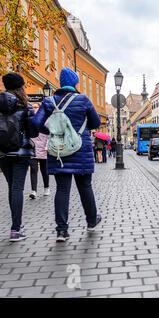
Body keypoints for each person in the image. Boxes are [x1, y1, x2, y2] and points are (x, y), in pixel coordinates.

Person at [32, 67, 102, 242]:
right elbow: (95, 123)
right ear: (74, 83)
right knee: (85, 187)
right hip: (81, 149)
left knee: (62, 189)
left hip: (58, 151)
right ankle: (92, 221)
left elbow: (35, 123)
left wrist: (50, 131)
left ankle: (62, 231)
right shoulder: (83, 100)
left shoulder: (49, 101)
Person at [0, 73, 39, 242]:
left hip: (2, 152)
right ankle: (16, 228)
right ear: (20, 86)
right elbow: (32, 131)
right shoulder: (25, 105)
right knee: (17, 188)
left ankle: (16, 227)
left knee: (12, 187)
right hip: (21, 151)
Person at [29, 103, 50, 199]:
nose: (34, 109)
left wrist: (47, 146)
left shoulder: (46, 120)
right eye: (32, 107)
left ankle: (46, 187)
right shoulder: (30, 120)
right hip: (33, 148)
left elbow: (50, 134)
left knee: (44, 170)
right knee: (33, 169)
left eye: (36, 107)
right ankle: (33, 190)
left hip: (44, 149)